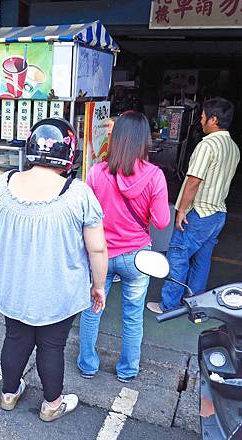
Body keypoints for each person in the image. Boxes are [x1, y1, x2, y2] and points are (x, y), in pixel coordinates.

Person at [0, 118, 108, 422]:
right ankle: (52, 404)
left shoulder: (2, 185)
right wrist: (99, 285)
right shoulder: (78, 194)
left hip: (13, 286)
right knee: (51, 346)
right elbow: (97, 248)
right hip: (59, 291)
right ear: (69, 154)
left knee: (15, 338)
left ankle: (9, 393)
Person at [77, 111, 170, 382]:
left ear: (116, 139)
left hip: (100, 255)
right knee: (133, 316)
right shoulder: (155, 176)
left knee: (93, 309)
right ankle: (127, 370)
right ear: (144, 141)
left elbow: (85, 216)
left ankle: (88, 365)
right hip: (137, 256)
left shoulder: (96, 173)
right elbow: (162, 222)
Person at [147, 97, 240, 314]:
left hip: (198, 213)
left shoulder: (207, 145)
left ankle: (169, 305)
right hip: (217, 214)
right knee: (202, 260)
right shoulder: (233, 147)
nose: (200, 121)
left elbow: (193, 181)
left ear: (213, 119)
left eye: (202, 117)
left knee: (178, 256)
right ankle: (195, 303)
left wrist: (181, 210)